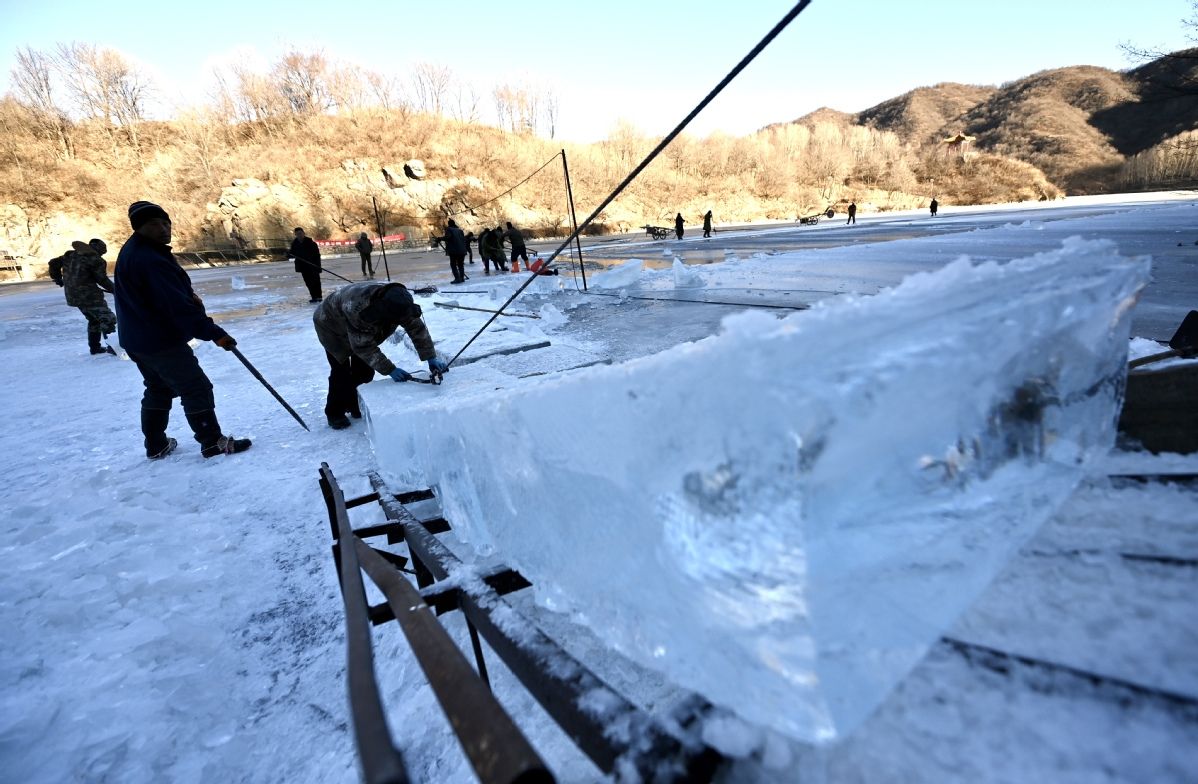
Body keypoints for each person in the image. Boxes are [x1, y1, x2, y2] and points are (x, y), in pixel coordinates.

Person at [114, 200, 251, 460]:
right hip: (159, 340)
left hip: (137, 338)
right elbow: (176, 308)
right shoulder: (150, 259)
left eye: (166, 223)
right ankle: (212, 442)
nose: (164, 229)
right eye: (155, 224)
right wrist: (214, 332)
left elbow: (164, 298)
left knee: (158, 388)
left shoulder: (137, 250)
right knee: (195, 388)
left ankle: (156, 444)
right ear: (139, 228)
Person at [313, 281, 450, 429]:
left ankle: (354, 404)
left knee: (364, 371)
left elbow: (417, 329)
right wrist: (390, 369)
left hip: (355, 323)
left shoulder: (400, 302)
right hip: (331, 326)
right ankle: (334, 412)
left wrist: (431, 357)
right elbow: (363, 347)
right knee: (341, 372)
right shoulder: (361, 310)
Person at [63, 239, 118, 355]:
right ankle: (114, 348)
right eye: (103, 251)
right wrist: (116, 290)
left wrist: (58, 278)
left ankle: (95, 348)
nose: (102, 254)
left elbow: (53, 263)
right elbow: (102, 279)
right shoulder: (95, 259)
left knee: (94, 320)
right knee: (107, 319)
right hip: (89, 296)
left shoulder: (71, 255)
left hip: (72, 296)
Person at [287, 227, 323, 302]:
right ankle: (314, 297)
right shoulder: (295, 244)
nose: (299, 235)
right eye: (297, 234)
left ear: (304, 233)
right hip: (303, 266)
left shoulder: (311, 243)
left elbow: (317, 255)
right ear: (295, 235)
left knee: (316, 281)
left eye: (300, 233)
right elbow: (292, 254)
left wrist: (318, 267)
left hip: (312, 265)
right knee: (308, 282)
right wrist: (288, 254)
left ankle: (319, 296)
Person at [435, 219, 469, 284]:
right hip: (462, 250)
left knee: (453, 265)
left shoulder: (449, 229)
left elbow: (448, 237)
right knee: (460, 265)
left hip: (454, 250)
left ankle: (457, 278)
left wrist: (440, 238)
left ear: (449, 224)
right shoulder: (460, 230)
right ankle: (461, 278)